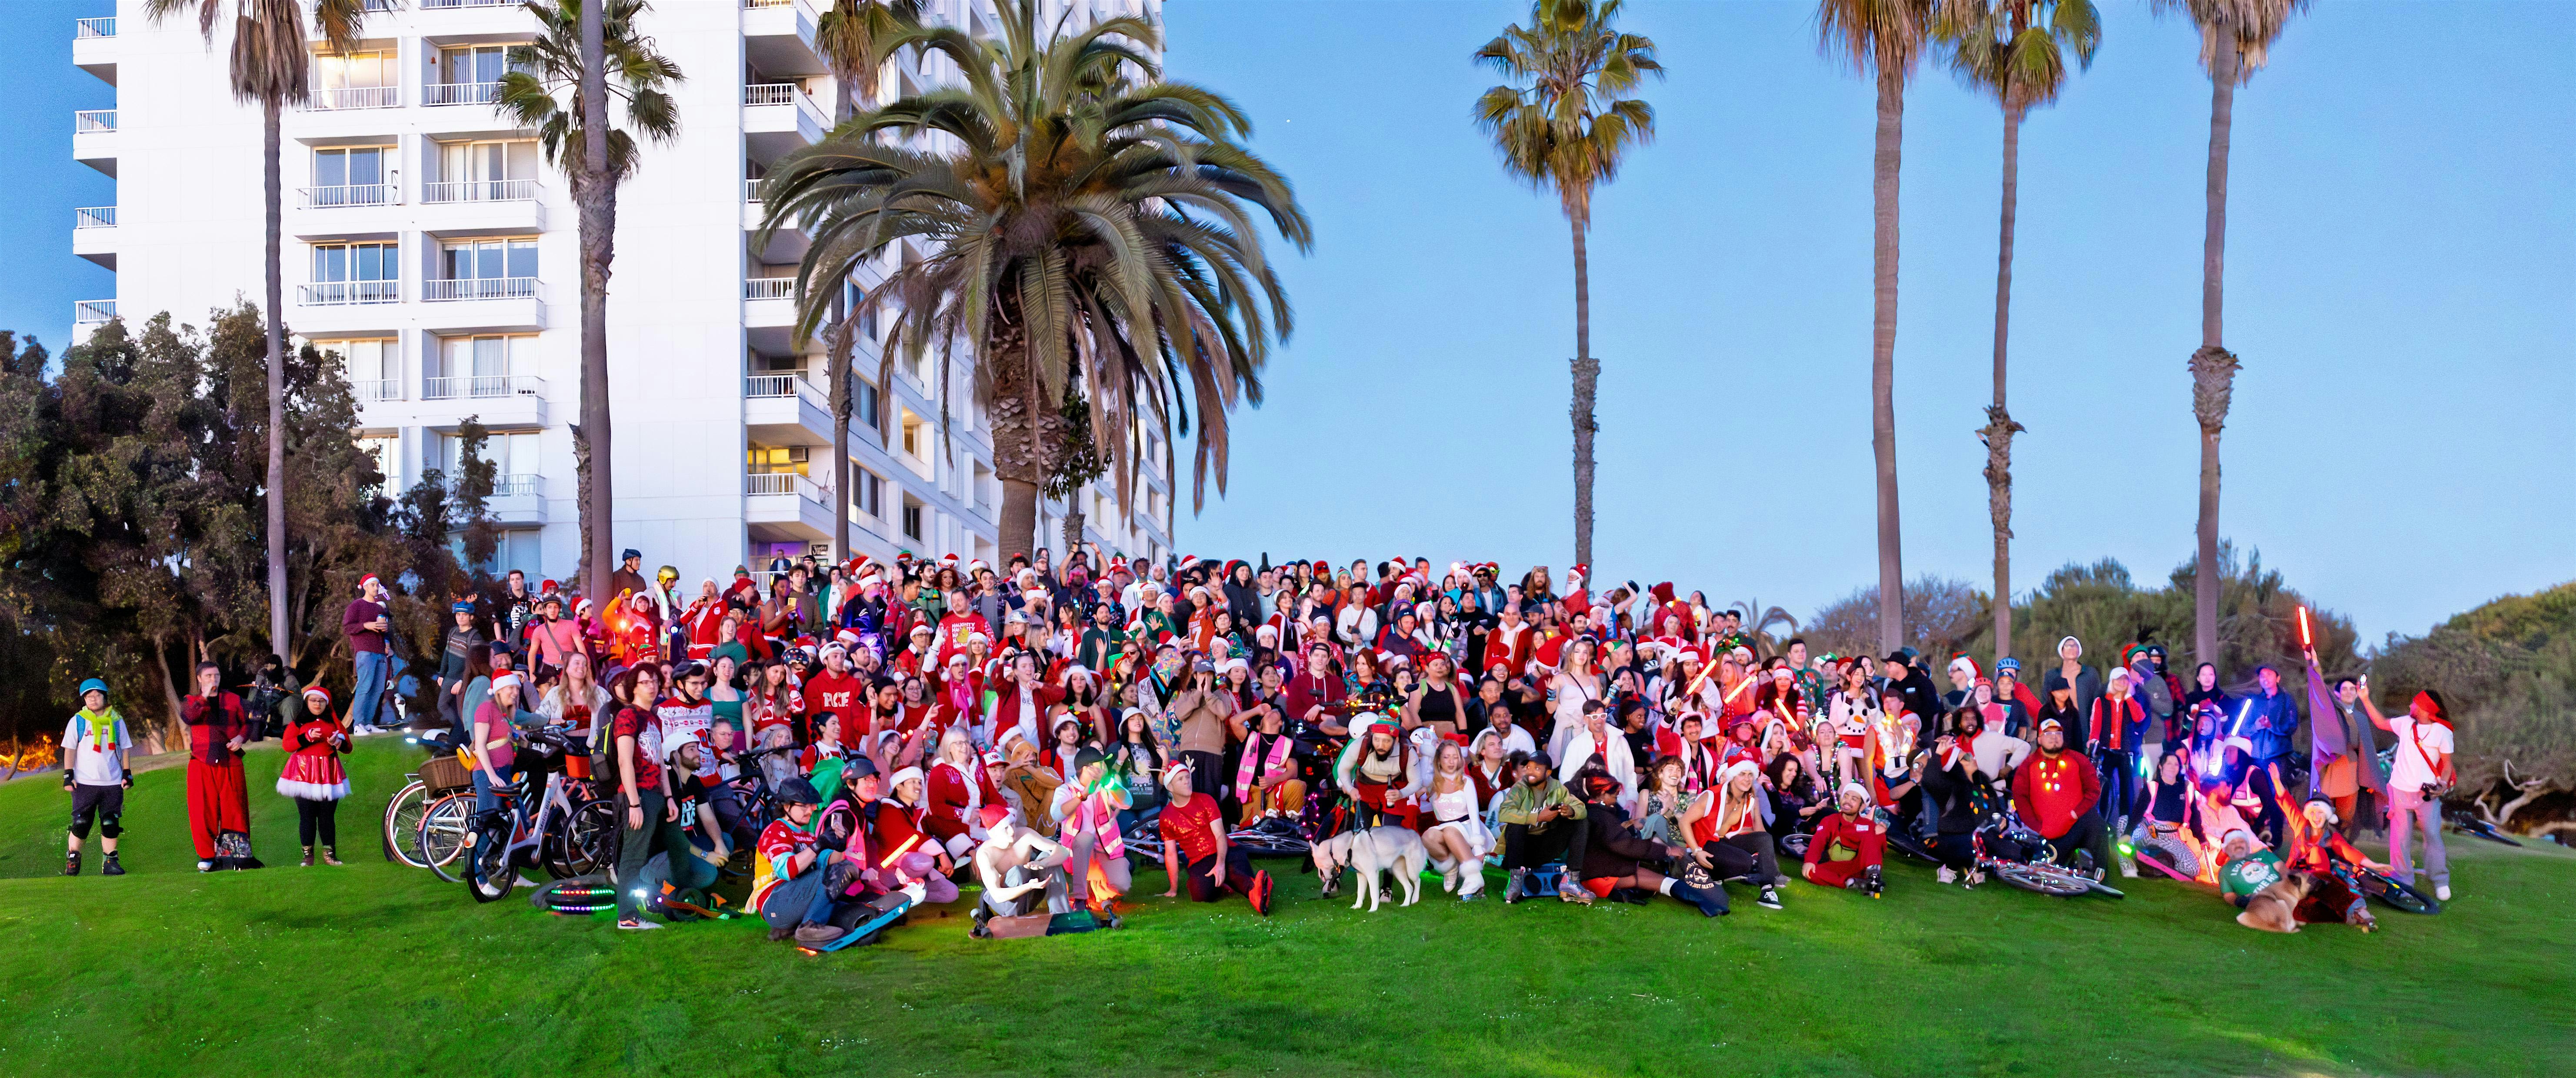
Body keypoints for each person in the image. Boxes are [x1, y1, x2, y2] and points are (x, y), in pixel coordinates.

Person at [1571, 768, 1727, 916]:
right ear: (1603, 795)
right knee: (1662, 882)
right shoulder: (1601, 817)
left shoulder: (1592, 813)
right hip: (1602, 877)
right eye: (1615, 796)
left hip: (1602, 872)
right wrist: (1666, 851)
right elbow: (1624, 845)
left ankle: (1708, 902)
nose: (1616, 800)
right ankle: (1710, 904)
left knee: (1661, 882)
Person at [2356, 684, 2455, 901]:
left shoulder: (2443, 733)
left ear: (2425, 709)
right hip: (2400, 790)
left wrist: (2443, 784)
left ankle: (2439, 879)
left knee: (2432, 835)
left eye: (2414, 703)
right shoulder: (2405, 724)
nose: (2410, 706)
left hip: (2427, 794)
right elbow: (2380, 723)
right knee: (2400, 837)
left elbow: (2447, 765)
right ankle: (2403, 878)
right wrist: (2365, 698)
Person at [610, 665, 680, 930]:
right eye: (645, 682)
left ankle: (652, 903)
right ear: (634, 687)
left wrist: (670, 797)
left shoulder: (654, 718)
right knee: (632, 856)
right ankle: (627, 917)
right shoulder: (628, 716)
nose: (652, 686)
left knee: (663, 849)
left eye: (654, 681)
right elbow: (624, 761)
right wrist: (634, 803)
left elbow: (660, 762)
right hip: (638, 794)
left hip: (656, 795)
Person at [1156, 764, 1274, 913]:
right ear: (1171, 787)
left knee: (1233, 872)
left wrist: (1220, 864)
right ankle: (1228, 884)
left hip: (1227, 850)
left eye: (1188, 777)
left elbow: (1220, 835)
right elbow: (1171, 853)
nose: (1187, 781)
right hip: (1200, 860)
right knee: (1200, 896)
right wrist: (1173, 889)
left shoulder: (1206, 800)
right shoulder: (1166, 816)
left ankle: (1256, 892)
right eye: (1180, 779)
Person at [181, 662, 261, 871]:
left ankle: (236, 856)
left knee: (234, 808)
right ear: (199, 679)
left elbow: (251, 721)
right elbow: (189, 717)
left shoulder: (234, 700)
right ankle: (207, 856)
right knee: (202, 810)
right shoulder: (191, 701)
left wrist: (241, 738)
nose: (213, 680)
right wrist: (204, 698)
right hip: (201, 762)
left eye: (216, 675)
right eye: (208, 676)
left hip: (231, 761)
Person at [2010, 718, 2115, 878]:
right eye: (2049, 734)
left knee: (2095, 821)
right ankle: (2061, 865)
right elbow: (2020, 798)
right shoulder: (2028, 765)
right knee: (2051, 866)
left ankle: (2100, 874)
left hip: (2077, 822)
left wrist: (2075, 813)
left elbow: (2093, 790)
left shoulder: (2078, 760)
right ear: (2039, 739)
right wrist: (2038, 826)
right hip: (2049, 830)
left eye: (2058, 733)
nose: (2054, 737)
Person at [751, 777, 850, 946]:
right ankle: (810, 927)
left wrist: (841, 844)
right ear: (787, 806)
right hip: (775, 901)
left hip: (791, 899)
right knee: (836, 873)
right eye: (804, 805)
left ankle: (791, 928)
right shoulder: (775, 831)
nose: (811, 810)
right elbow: (787, 871)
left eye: (811, 806)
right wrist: (818, 845)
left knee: (847, 868)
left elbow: (834, 861)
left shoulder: (806, 836)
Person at [1680, 759, 1786, 909]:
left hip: (1723, 841)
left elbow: (1750, 830)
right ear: (1733, 776)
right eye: (1742, 774)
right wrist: (1697, 851)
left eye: (1751, 775)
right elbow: (1684, 822)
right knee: (1745, 862)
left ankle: (1767, 890)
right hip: (1703, 844)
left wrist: (1769, 861)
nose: (1747, 779)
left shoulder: (1748, 799)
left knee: (1764, 839)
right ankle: (1702, 871)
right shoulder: (1712, 796)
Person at [1496, 751, 1593, 904]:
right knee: (1516, 825)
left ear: (1548, 773)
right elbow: (1504, 813)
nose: (1530, 772)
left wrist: (1571, 811)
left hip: (1545, 846)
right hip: (1520, 851)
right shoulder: (1520, 788)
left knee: (1580, 821)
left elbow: (1581, 808)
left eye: (1537, 768)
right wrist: (1539, 817)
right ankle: (1515, 881)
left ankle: (1571, 881)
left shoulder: (1557, 788)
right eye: (1528, 767)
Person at [61, 678, 134, 877]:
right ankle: (74, 859)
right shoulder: (78, 720)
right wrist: (69, 775)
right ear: (84, 699)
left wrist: (127, 773)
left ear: (104, 697)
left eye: (97, 695)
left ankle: (110, 862)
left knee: (110, 822)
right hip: (85, 783)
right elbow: (70, 749)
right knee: (82, 822)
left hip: (112, 782)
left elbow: (125, 748)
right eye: (88, 696)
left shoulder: (117, 720)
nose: (93, 699)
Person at [1050, 746, 1134, 916]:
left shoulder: (1107, 786)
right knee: (1085, 838)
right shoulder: (1066, 790)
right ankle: (1081, 898)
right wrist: (1082, 796)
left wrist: (1110, 784)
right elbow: (1056, 815)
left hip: (1105, 853)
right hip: (1077, 856)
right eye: (1100, 764)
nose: (1105, 767)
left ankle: (1097, 890)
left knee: (1123, 884)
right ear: (1087, 769)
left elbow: (1128, 803)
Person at [276, 685, 355, 867]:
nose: (317, 704)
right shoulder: (298, 723)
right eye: (313, 701)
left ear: (327, 704)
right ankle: (308, 856)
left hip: (328, 772)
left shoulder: (334, 723)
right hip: (303, 773)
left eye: (321, 701)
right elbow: (288, 746)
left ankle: (330, 855)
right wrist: (307, 737)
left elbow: (348, 748)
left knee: (327, 816)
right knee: (307, 815)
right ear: (307, 702)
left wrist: (338, 742)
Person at [1419, 740, 1493, 899]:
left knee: (1451, 831)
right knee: (1428, 837)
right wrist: (1427, 752)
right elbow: (1421, 781)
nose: (1451, 762)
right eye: (1447, 757)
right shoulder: (1433, 783)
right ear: (1439, 760)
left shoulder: (1466, 782)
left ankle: (1474, 877)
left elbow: (1474, 814)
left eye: (1455, 757)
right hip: (1444, 829)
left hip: (1467, 829)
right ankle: (1450, 869)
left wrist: (1478, 845)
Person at [1800, 782, 1886, 895]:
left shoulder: (1869, 826)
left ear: (1862, 806)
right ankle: (1855, 883)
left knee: (1873, 833)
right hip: (1838, 867)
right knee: (1811, 872)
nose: (1847, 801)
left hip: (1861, 867)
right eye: (1846, 796)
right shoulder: (1830, 820)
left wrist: (1880, 834)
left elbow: (1881, 849)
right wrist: (1810, 861)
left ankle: (1872, 878)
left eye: (1854, 799)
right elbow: (1818, 842)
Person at [342, 573, 394, 734]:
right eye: (373, 585)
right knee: (365, 686)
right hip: (365, 652)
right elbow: (347, 627)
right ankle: (358, 725)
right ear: (365, 587)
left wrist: (386, 640)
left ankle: (369, 722)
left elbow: (384, 630)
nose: (376, 588)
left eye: (377, 585)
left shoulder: (380, 607)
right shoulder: (357, 605)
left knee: (378, 688)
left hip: (380, 652)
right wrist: (366, 625)